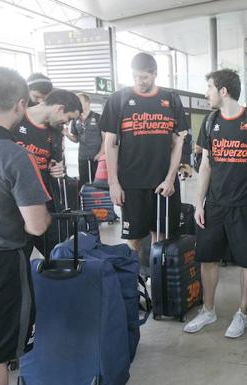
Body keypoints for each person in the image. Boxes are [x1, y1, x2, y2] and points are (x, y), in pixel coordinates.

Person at [183, 69, 247, 338]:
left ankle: (242, 313)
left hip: (246, 205)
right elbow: (206, 165)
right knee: (207, 259)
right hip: (215, 205)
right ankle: (208, 310)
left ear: (223, 91)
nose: (206, 93)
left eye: (209, 88)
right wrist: (199, 203)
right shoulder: (210, 120)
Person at [100, 52, 189, 272]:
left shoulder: (171, 99)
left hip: (162, 183)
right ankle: (135, 285)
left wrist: (170, 178)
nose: (139, 81)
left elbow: (178, 142)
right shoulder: (118, 100)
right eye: (135, 77)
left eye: (144, 77)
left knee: (160, 238)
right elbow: (110, 144)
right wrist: (113, 183)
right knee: (133, 240)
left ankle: (156, 285)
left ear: (155, 74)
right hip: (131, 183)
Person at [0, 67, 51, 385]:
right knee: (0, 353)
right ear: (20, 105)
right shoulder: (14, 156)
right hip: (4, 262)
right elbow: (37, 225)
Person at [13, 89, 82, 257]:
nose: (66, 124)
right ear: (60, 108)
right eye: (69, 118)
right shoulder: (15, 119)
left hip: (44, 202)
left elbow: (55, 162)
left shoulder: (56, 132)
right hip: (14, 204)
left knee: (59, 256)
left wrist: (57, 169)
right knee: (19, 261)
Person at [63, 93, 104, 187]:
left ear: (88, 103)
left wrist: (101, 153)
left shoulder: (98, 117)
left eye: (80, 101)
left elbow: (105, 138)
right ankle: (84, 201)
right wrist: (67, 134)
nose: (77, 104)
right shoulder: (75, 119)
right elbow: (76, 139)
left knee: (98, 182)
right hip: (82, 156)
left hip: (97, 156)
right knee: (83, 182)